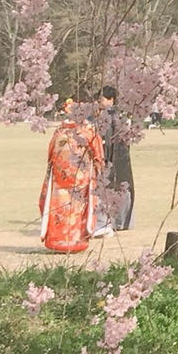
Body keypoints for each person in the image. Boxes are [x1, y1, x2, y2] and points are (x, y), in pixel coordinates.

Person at [38, 101, 108, 254]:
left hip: (59, 177)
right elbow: (98, 154)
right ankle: (76, 241)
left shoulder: (59, 132)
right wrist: (98, 167)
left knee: (60, 208)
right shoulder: (87, 131)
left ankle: (57, 240)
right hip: (80, 177)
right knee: (77, 208)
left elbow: (50, 154)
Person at [94, 85, 135, 231]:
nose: (99, 102)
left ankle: (114, 221)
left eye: (102, 99)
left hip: (115, 156)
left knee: (116, 186)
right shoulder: (115, 115)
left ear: (111, 100)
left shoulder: (113, 116)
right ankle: (118, 221)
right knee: (118, 186)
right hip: (116, 156)